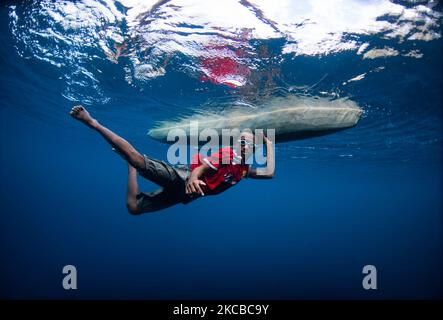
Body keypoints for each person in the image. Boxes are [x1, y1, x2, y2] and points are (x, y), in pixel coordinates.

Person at [70, 105, 275, 215]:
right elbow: (201, 169)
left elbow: (269, 173)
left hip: (185, 195)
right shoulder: (228, 154)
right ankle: (93, 123)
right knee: (137, 158)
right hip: (183, 178)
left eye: (248, 143)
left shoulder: (244, 169)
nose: (242, 145)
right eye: (240, 140)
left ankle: (131, 168)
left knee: (133, 208)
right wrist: (194, 178)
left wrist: (270, 146)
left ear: (254, 149)